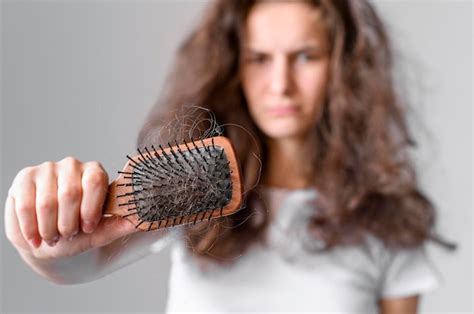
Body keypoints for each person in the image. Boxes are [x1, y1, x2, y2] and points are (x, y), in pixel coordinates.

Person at [4, 1, 453, 313]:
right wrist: (44, 236)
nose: (280, 84)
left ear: (342, 67)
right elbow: (79, 264)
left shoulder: (390, 222)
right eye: (259, 58)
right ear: (235, 66)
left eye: (305, 57)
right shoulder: (195, 189)